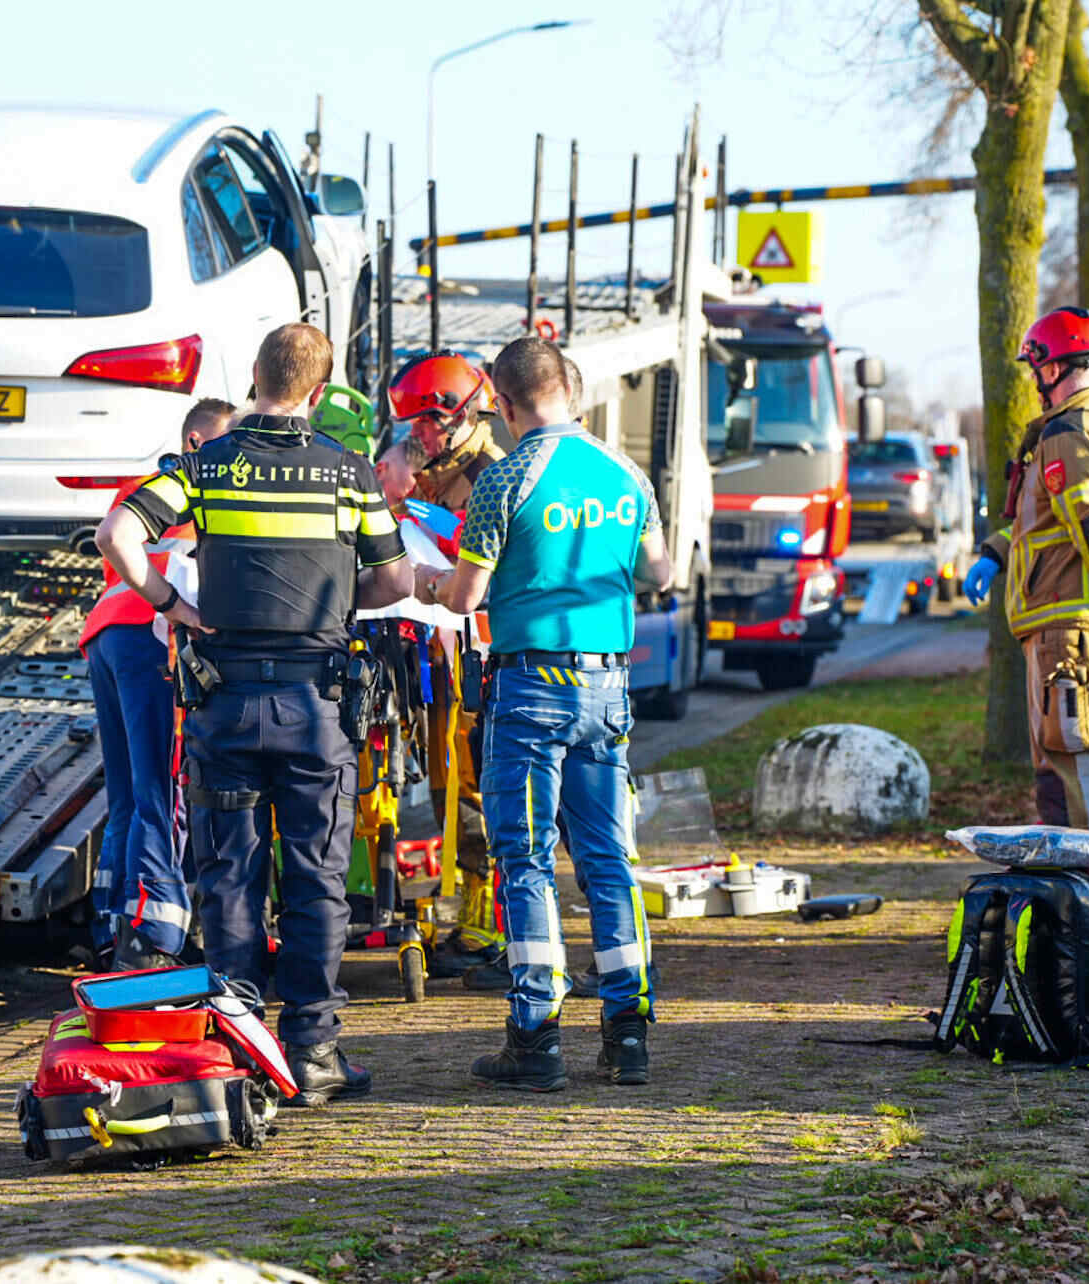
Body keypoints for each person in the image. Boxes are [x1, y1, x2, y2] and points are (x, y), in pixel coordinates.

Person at [98, 323, 411, 1105]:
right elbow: (397, 581)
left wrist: (172, 605)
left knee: (229, 877)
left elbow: (117, 533)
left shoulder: (206, 465)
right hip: (316, 707)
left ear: (255, 377)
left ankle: (242, 1051)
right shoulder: (346, 472)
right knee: (316, 879)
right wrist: (331, 600)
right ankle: (313, 1053)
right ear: (317, 390)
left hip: (224, 703)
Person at [425, 336, 672, 1091]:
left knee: (526, 859)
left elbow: (466, 597)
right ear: (570, 390)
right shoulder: (626, 472)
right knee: (609, 857)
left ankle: (535, 1038)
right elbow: (659, 572)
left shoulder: (506, 479)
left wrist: (431, 583)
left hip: (531, 686)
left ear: (502, 403)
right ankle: (628, 1033)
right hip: (607, 686)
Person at [963, 308, 1089, 858]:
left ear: (1053, 367)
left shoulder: (1066, 433)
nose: (1035, 381)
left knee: (1079, 781)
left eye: (1036, 369)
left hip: (1073, 635)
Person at [79, 398, 235, 969]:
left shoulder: (141, 489)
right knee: (163, 791)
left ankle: (113, 922)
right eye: (226, 443)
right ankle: (155, 935)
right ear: (195, 443)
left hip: (106, 636)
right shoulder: (202, 494)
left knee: (127, 791)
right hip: (152, 639)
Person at [378, 352, 508, 981]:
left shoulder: (490, 476)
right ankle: (457, 905)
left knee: (476, 782)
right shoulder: (433, 465)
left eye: (428, 423)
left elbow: (496, 564)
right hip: (435, 653)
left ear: (463, 415)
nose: (419, 435)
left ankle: (490, 922)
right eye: (414, 425)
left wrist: (451, 531)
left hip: (479, 652)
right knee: (440, 784)